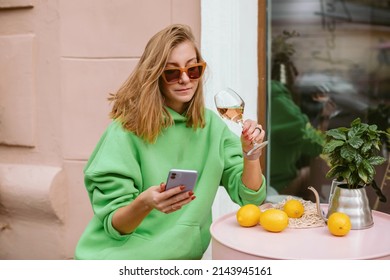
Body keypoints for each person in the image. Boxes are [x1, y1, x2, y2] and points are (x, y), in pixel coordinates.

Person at [75, 24, 267, 260]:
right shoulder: (125, 131)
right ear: (155, 75)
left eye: (193, 69)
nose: (185, 79)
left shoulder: (211, 128)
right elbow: (116, 226)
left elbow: (251, 198)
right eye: (172, 72)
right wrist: (145, 203)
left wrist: (251, 156)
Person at [269, 80, 324, 199]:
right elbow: (317, 147)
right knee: (311, 172)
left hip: (262, 182)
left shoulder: (262, 94)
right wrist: (325, 119)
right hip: (278, 186)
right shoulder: (285, 109)